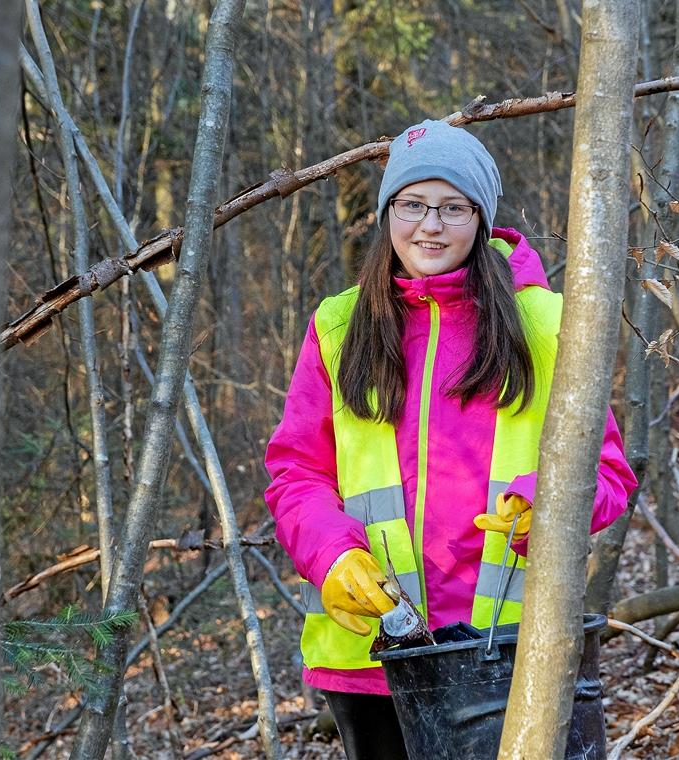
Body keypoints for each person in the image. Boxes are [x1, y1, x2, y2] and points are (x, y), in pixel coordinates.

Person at [264, 119, 637, 759]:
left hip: (509, 651)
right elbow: (297, 473)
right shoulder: (337, 325)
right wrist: (331, 556)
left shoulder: (545, 324)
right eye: (412, 204)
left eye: (453, 208)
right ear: (387, 213)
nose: (430, 226)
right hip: (374, 653)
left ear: (482, 218)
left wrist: (548, 505)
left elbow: (608, 475)